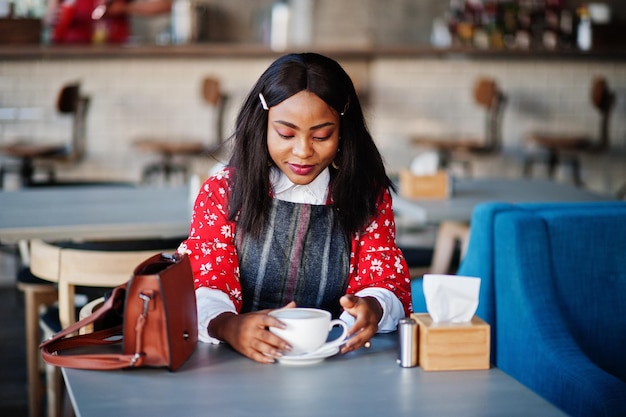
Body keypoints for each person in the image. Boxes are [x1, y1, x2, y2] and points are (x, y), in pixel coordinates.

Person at [178, 53, 413, 364]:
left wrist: (374, 305)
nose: (303, 151)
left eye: (321, 135)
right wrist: (229, 326)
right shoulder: (223, 192)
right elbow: (206, 280)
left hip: (336, 362)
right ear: (262, 124)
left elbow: (384, 279)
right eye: (286, 134)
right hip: (236, 362)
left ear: (344, 131)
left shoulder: (365, 195)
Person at [48, 0, 172, 44]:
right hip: (72, 51)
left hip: (115, 50)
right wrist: (53, 16)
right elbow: (48, 19)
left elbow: (164, 5)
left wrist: (125, 8)